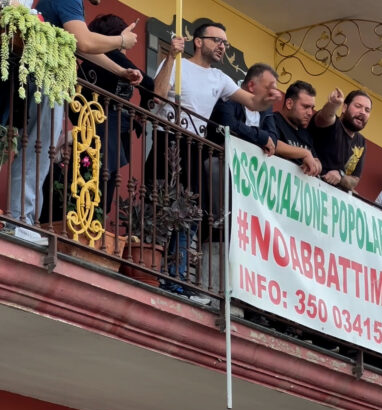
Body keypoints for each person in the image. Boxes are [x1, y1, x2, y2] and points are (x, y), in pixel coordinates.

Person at [148, 22, 276, 303]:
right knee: (161, 205)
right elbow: (156, 97)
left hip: (194, 146)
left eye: (225, 43)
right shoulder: (179, 64)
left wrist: (268, 96)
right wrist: (171, 56)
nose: (222, 46)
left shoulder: (220, 78)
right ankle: (151, 269)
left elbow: (253, 104)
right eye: (217, 40)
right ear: (198, 41)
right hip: (168, 139)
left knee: (190, 213)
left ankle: (177, 276)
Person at [9, 0, 141, 227]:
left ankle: (23, 219)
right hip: (45, 79)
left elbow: (78, 45)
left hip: (44, 79)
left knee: (38, 151)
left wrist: (120, 71)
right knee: (38, 151)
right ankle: (21, 220)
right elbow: (85, 42)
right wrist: (121, 40)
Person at [76, 14, 155, 212]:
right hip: (105, 126)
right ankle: (92, 223)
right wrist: (143, 111)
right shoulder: (112, 53)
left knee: (89, 176)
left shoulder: (92, 59)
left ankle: (87, 221)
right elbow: (149, 85)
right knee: (102, 180)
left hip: (93, 125)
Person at [309, 88, 370, 191]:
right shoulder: (333, 124)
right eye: (358, 106)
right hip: (309, 186)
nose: (363, 112)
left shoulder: (361, 142)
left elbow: (354, 180)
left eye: (367, 110)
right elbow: (325, 117)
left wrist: (340, 176)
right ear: (344, 108)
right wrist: (333, 104)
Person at [273, 80, 321, 174]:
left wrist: (316, 165)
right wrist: (305, 153)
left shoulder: (306, 135)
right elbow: (271, 141)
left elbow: (316, 160)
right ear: (289, 104)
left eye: (312, 108)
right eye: (306, 107)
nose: (310, 113)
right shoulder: (272, 120)